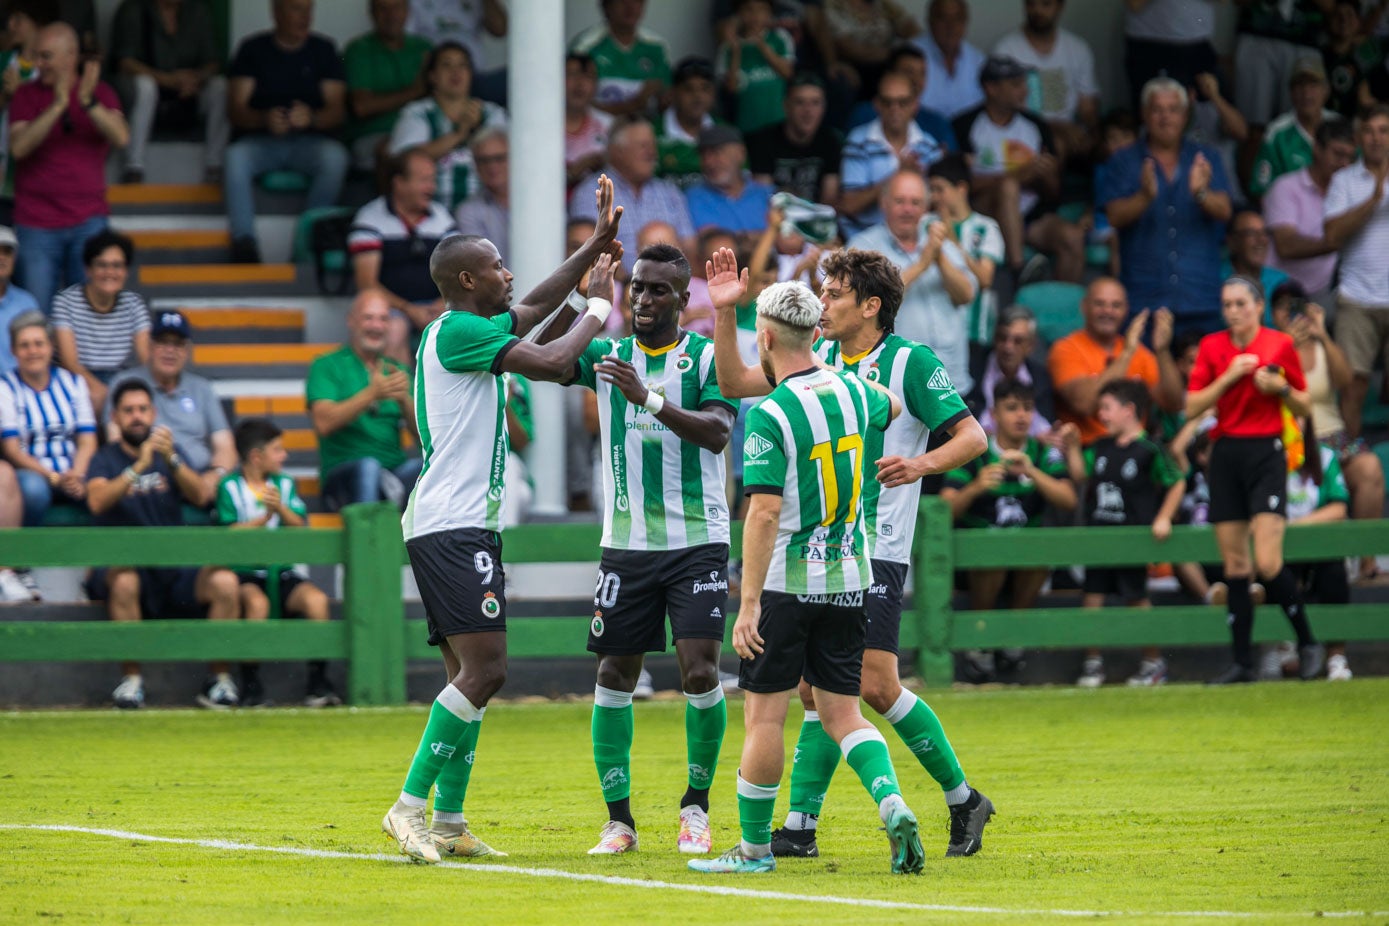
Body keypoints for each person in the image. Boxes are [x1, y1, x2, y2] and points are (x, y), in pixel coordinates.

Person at [708, 245, 994, 861]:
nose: (825, 302)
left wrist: (919, 463)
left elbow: (973, 436)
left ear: (871, 306)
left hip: (877, 548)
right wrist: (727, 313)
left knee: (874, 686)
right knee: (821, 693)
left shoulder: (909, 362)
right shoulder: (820, 359)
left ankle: (962, 796)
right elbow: (734, 382)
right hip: (828, 556)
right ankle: (801, 827)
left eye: (835, 292)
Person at [380, 175, 625, 865]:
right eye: (496, 266)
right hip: (451, 523)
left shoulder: (464, 327)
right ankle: (407, 809)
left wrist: (589, 250)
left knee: (471, 675)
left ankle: (450, 822)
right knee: (485, 671)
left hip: (455, 522)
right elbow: (550, 357)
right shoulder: (458, 330)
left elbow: (537, 306)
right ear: (467, 278)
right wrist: (598, 307)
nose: (508, 274)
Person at [691, 266, 928, 876]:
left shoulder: (770, 415)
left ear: (766, 340)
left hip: (789, 585)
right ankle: (892, 801)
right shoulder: (857, 391)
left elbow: (764, 513)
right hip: (852, 578)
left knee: (765, 714)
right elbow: (893, 403)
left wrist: (746, 607)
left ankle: (752, 852)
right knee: (843, 712)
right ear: (811, 332)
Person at [555, 243, 737, 857]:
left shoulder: (710, 357)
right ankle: (619, 821)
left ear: (685, 300)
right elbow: (548, 359)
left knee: (700, 671)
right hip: (626, 545)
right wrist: (589, 298)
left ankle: (696, 808)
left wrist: (650, 400)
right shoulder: (607, 354)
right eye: (636, 286)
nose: (643, 298)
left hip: (697, 541)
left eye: (658, 289)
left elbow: (717, 432)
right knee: (613, 673)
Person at [1186, 276, 1323, 685]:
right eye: (1227, 304)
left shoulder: (1279, 344)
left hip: (1266, 450)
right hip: (1225, 452)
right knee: (1236, 565)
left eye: (1241, 303)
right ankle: (1242, 662)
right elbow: (1191, 404)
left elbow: (1304, 402)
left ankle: (1308, 641)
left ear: (1258, 306)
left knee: (1267, 561)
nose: (1233, 311)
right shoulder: (1213, 347)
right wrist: (1228, 377)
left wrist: (1279, 387)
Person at [84, 377, 242, 710]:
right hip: (125, 567)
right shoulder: (104, 459)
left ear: (154, 413)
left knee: (225, 582)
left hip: (173, 565)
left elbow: (200, 494)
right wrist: (136, 468)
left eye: (142, 409)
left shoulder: (169, 454)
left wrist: (172, 460)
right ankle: (132, 683)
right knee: (125, 580)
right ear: (115, 417)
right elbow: (97, 501)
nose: (137, 417)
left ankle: (219, 681)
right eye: (128, 411)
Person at [943, 377, 1075, 682]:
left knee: (1037, 554)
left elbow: (1069, 499)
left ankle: (1012, 638)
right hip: (978, 561)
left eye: (1028, 408)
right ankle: (981, 642)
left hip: (1026, 559)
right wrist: (976, 487)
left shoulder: (1043, 454)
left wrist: (1031, 472)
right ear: (995, 413)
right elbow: (945, 509)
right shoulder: (974, 450)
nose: (1021, 416)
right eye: (1012, 408)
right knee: (993, 554)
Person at [1060, 379, 1186, 687]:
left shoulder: (1150, 449)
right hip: (1100, 540)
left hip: (1132, 541)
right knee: (1092, 598)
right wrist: (1073, 447)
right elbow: (1080, 475)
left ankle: (1153, 664)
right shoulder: (1101, 447)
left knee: (1136, 599)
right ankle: (1092, 664)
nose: (1100, 415)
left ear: (1129, 411)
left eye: (1106, 408)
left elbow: (1177, 481)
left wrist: (1164, 518)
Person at [215, 417, 338, 708]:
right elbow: (227, 531)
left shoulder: (284, 484)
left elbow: (300, 526)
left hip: (281, 571)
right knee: (257, 604)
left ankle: (317, 682)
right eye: (278, 450)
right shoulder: (230, 486)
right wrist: (262, 520)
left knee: (317, 602)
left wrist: (279, 508)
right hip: (246, 573)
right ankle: (251, 683)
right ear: (256, 456)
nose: (284, 456)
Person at [1098, 78, 1233, 336]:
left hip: (1198, 294)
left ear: (1185, 115)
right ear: (1144, 115)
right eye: (1157, 109)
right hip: (1144, 297)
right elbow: (1114, 216)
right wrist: (1144, 197)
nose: (1165, 117)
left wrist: (1201, 193)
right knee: (1144, 376)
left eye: (1173, 110)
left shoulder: (1206, 157)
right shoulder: (1124, 160)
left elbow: (1225, 211)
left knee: (1202, 376)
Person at [9, 23, 127, 312]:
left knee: (89, 314)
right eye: (37, 56)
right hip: (36, 222)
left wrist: (87, 103)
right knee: (35, 315)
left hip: (89, 220)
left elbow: (121, 137)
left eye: (46, 56)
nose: (39, 64)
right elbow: (19, 147)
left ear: (71, 57)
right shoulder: (26, 95)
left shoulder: (100, 92)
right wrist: (58, 105)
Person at [1269, 285, 1384, 583]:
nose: (1290, 313)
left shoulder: (1321, 345)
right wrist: (1286, 346)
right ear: (1271, 314)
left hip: (1331, 436)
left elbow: (1347, 380)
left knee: (1370, 468)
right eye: (1283, 307)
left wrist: (1322, 334)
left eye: (1296, 305)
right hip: (1289, 439)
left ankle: (1366, 562)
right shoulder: (1271, 347)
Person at [224, 0, 348, 264]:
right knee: (235, 156)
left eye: (308, 10)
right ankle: (244, 241)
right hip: (262, 141)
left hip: (309, 142)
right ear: (276, 12)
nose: (304, 17)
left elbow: (337, 111)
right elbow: (235, 110)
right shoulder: (253, 49)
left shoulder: (323, 50)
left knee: (335, 158)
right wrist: (263, 119)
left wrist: (311, 118)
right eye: (295, 9)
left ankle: (310, 238)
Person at [953, 55, 1084, 285]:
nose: (1024, 91)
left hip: (1031, 216)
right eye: (1015, 85)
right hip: (985, 214)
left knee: (1072, 237)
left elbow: (1054, 194)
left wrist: (1047, 175)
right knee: (1008, 187)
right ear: (991, 88)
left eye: (1023, 83)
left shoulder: (1036, 126)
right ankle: (1018, 269)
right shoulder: (964, 125)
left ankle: (1065, 308)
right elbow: (958, 185)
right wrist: (1015, 176)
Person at [846, 169, 976, 394]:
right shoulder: (863, 246)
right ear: (883, 204)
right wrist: (922, 264)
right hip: (895, 386)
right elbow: (866, 304)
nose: (908, 210)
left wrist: (939, 257)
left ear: (926, 208)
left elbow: (966, 294)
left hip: (951, 381)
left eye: (916, 202)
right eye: (900, 201)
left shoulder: (940, 243)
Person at [104, 310, 235, 506]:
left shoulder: (201, 388)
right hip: (150, 477)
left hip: (198, 476)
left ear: (187, 350)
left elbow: (225, 445)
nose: (170, 350)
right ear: (150, 346)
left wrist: (216, 474)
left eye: (178, 344)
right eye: (163, 342)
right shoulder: (126, 383)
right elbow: (115, 439)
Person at [306, 289, 420, 513]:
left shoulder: (397, 371)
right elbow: (323, 423)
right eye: (368, 318)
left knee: (434, 469)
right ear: (351, 321)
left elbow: (426, 438)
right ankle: (368, 544)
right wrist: (371, 394)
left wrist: (405, 402)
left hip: (394, 472)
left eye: (383, 319)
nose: (376, 326)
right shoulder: (327, 365)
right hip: (343, 477)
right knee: (369, 467)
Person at [349, 148, 458, 365]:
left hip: (436, 306)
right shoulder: (371, 218)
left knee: (459, 327)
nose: (432, 188)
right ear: (399, 183)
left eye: (433, 180)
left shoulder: (442, 218)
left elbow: (458, 272)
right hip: (391, 309)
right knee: (394, 329)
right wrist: (409, 309)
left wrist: (442, 302)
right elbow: (367, 284)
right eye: (424, 181)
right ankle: (399, 396)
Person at [1047, 277, 1183, 447]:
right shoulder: (1065, 349)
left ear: (1126, 310)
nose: (1108, 311)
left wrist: (1162, 352)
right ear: (1084, 307)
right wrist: (1126, 354)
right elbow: (1084, 404)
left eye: (1116, 305)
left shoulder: (1139, 352)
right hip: (1087, 451)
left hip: (1134, 451)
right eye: (1100, 304)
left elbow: (1174, 404)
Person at [1322, 104, 1389, 441]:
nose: (1377, 138)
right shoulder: (1344, 181)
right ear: (1359, 137)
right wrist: (1374, 199)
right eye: (1370, 131)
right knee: (1352, 384)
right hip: (1357, 296)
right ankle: (1348, 460)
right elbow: (1332, 236)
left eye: (1384, 130)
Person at [109, 0, 227, 184]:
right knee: (144, 85)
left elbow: (212, 62)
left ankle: (214, 166)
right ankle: (134, 167)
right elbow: (125, 62)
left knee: (220, 87)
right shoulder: (133, 10)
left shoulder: (197, 11)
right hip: (148, 93)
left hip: (188, 93)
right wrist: (166, 80)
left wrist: (196, 78)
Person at [387, 41, 507, 213]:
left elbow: (510, 162)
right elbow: (403, 163)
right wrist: (459, 134)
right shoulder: (417, 113)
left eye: (462, 65)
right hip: (430, 215)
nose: (455, 72)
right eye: (446, 65)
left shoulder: (492, 113)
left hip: (486, 214)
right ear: (433, 76)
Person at [1, 310, 95, 529]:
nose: (32, 351)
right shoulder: (5, 387)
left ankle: (100, 560)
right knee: (34, 491)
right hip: (34, 474)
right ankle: (24, 558)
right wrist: (53, 477)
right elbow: (12, 450)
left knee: (101, 487)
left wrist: (77, 474)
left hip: (73, 471)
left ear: (51, 347)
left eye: (39, 343)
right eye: (24, 345)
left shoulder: (73, 382)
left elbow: (87, 440)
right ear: (14, 351)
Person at [570, 119, 694, 267]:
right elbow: (587, 253)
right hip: (611, 285)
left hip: (667, 284)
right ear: (618, 152)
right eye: (643, 146)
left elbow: (690, 249)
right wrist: (626, 286)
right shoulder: (591, 192)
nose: (652, 153)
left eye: (653, 145)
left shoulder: (670, 193)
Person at [50, 229, 149, 413]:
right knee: (94, 398)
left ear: (126, 271)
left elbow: (146, 358)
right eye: (101, 265)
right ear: (88, 269)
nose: (110, 272)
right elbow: (69, 362)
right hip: (77, 377)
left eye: (117, 265)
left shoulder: (134, 303)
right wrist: (105, 391)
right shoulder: (65, 301)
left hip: (119, 377)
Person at [839, 71, 949, 234]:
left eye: (902, 102)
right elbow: (849, 205)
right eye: (887, 102)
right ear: (876, 104)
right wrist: (898, 175)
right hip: (863, 240)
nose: (894, 109)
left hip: (913, 240)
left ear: (915, 105)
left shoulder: (928, 146)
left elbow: (940, 205)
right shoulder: (858, 141)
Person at [1264, 116, 1357, 306]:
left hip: (1321, 295)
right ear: (1317, 149)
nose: (1344, 164)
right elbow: (1286, 246)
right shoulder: (1285, 187)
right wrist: (1334, 242)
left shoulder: (1352, 195)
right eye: (1338, 154)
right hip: (1278, 292)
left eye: (1349, 157)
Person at [992, 0, 1099, 162]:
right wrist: (1055, 126)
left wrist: (1092, 133)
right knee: (1056, 144)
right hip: (1024, 130)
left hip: (1071, 131)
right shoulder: (1007, 50)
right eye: (1031, 4)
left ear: (1060, 6)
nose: (1037, 10)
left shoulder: (1078, 48)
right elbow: (1004, 108)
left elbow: (1088, 107)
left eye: (1046, 4)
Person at [342, 0, 432, 173]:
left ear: (407, 12)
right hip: (373, 136)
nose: (391, 16)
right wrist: (415, 92)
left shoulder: (423, 47)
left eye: (397, 8)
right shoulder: (358, 50)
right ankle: (389, 201)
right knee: (393, 150)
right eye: (383, 9)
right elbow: (362, 107)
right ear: (372, 14)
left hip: (420, 131)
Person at [928, 152, 1001, 351]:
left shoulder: (986, 227)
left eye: (940, 189)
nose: (934, 196)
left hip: (974, 332)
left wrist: (954, 242)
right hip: (934, 333)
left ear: (961, 188)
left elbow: (985, 279)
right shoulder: (926, 224)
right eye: (931, 190)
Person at [745, 71, 843, 207]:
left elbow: (830, 201)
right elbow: (762, 198)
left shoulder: (831, 141)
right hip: (775, 220)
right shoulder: (764, 140)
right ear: (786, 106)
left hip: (816, 220)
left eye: (815, 103)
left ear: (824, 108)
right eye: (800, 102)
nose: (808, 110)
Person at [1249, 58, 1335, 199]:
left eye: (1313, 85)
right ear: (1291, 92)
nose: (1306, 93)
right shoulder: (1276, 133)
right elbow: (1262, 190)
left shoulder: (1341, 127)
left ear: (1326, 90)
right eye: (1300, 86)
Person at [569, 0, 672, 117]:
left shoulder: (657, 46)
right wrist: (634, 104)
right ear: (605, 6)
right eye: (622, 1)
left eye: (637, 1)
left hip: (645, 130)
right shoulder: (585, 46)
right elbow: (576, 104)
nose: (630, 7)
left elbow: (667, 100)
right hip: (599, 131)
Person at [965, 303, 1054, 435]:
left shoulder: (1040, 378)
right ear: (994, 337)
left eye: (1017, 341)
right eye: (1002, 338)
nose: (1008, 347)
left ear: (1031, 345)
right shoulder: (972, 368)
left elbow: (1046, 427)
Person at [1123, 0, 1219, 113]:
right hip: (1152, 47)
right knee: (1155, 111)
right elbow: (1134, 4)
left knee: (1206, 113)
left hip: (1198, 46)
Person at [716, 0, 796, 134]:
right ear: (738, 13)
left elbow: (788, 73)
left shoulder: (779, 37)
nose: (755, 15)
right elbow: (732, 88)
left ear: (770, 13)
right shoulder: (727, 49)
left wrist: (762, 45)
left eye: (762, 9)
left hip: (780, 123)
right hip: (747, 126)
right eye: (748, 9)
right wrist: (736, 51)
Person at [686, 124, 774, 244]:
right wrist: (769, 237)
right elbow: (714, 242)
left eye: (717, 152)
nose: (708, 162)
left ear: (741, 154)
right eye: (703, 155)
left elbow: (789, 238)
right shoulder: (695, 196)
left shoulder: (766, 193)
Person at [655, 56, 720, 190]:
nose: (697, 96)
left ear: (713, 94)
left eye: (705, 89)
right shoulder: (652, 132)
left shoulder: (725, 133)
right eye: (688, 89)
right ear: (673, 93)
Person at [913, 0, 986, 119]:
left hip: (966, 135)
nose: (951, 26)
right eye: (943, 18)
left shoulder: (978, 61)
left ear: (965, 22)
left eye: (958, 18)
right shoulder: (909, 57)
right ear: (930, 21)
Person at [454, 128, 509, 261]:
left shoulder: (539, 201)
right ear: (475, 165)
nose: (492, 166)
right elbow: (482, 265)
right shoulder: (469, 211)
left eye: (499, 158)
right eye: (483, 160)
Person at [1222, 210, 1290, 312]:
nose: (1261, 240)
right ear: (1232, 242)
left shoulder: (1280, 282)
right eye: (1251, 233)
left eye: (1264, 233)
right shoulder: (1215, 281)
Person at [565, 52, 613, 192]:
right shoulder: (541, 125)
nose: (579, 84)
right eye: (572, 74)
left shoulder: (609, 126)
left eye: (588, 77)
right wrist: (573, 173)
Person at [0, 226, 39, 372]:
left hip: (20, 389)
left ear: (14, 259)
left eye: (7, 252)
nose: (2, 257)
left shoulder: (26, 302)